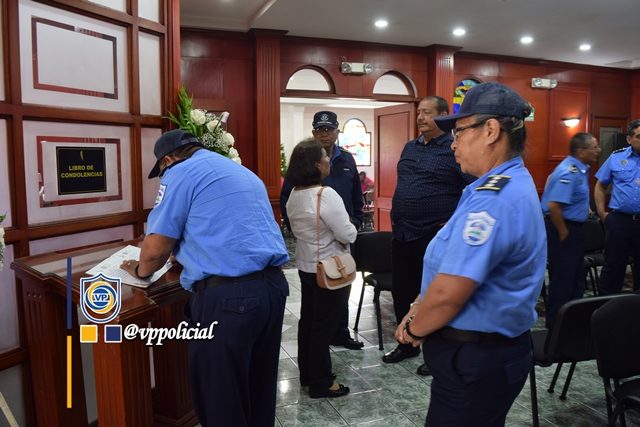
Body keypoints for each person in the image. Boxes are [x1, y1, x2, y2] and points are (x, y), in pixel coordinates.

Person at [395, 82, 546, 426]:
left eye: (460, 131)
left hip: (476, 357)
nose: (453, 142)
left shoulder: (494, 199)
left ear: (491, 131)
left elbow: (450, 292)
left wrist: (415, 330)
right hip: (484, 354)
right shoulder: (496, 185)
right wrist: (419, 304)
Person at [120, 129, 289, 427]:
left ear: (168, 160)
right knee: (257, 392)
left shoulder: (179, 172)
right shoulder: (242, 172)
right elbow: (230, 228)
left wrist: (138, 270)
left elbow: (154, 252)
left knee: (221, 401)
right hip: (272, 290)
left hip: (228, 300)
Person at [383, 96, 474, 377]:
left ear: (443, 115)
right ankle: (406, 344)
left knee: (433, 296)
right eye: (419, 112)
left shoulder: (453, 148)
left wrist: (452, 223)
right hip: (403, 232)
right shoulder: (410, 147)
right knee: (403, 292)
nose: (420, 117)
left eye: (427, 113)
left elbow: (471, 191)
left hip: (434, 236)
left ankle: (435, 352)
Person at [281, 110, 364, 350]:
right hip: (317, 246)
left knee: (342, 285)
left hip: (342, 239)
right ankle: (321, 346)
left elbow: (356, 195)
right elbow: (287, 200)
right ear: (313, 132)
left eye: (329, 129)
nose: (324, 134)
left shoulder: (346, 159)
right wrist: (301, 230)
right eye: (320, 130)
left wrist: (356, 221)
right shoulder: (305, 160)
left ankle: (341, 333)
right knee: (319, 305)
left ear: (337, 132)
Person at [285, 138, 358, 398]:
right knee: (324, 326)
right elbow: (347, 234)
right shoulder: (325, 195)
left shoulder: (294, 194)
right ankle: (322, 382)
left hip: (306, 266)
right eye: (325, 158)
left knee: (309, 321)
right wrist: (350, 230)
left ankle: (307, 374)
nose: (329, 161)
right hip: (329, 268)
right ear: (316, 165)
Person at [540, 133, 601, 327]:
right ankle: (556, 325)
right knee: (563, 280)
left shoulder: (580, 170)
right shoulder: (568, 172)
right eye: (594, 147)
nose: (598, 150)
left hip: (574, 229)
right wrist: (563, 232)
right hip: (564, 229)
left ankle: (572, 322)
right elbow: (553, 206)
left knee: (576, 277)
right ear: (581, 151)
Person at [594, 119, 640, 295]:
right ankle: (604, 306)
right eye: (639, 136)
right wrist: (602, 213)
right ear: (629, 139)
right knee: (613, 268)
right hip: (620, 222)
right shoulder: (616, 158)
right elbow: (600, 185)